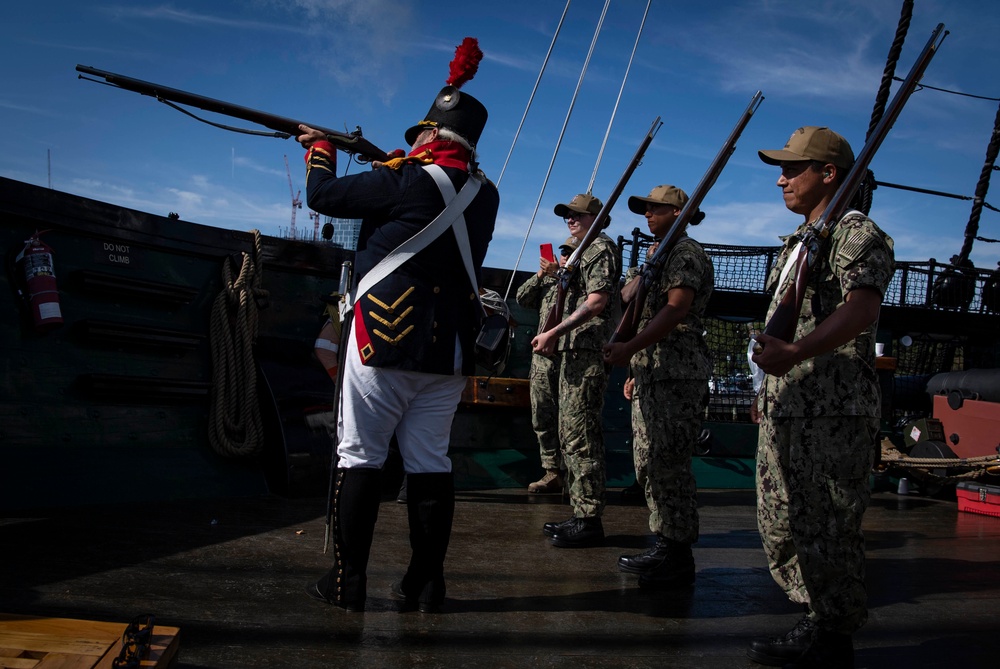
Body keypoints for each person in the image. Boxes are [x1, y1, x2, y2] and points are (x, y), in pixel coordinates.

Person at [297, 43, 499, 614]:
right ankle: (426, 585)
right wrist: (391, 165)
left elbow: (323, 196)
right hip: (449, 351)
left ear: (431, 138)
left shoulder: (406, 180)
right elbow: (423, 198)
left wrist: (320, 149)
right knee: (429, 462)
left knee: (359, 455)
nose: (412, 145)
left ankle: (347, 584)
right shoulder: (485, 194)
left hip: (383, 340)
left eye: (419, 138)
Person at [748, 126, 894, 667]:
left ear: (829, 174)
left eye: (793, 168)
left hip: (832, 407)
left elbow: (862, 310)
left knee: (827, 523)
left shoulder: (854, 232)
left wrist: (795, 351)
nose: (781, 179)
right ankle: (816, 613)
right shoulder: (800, 242)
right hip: (791, 401)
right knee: (781, 519)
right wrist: (770, 380)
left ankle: (832, 634)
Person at [602, 185, 713, 589]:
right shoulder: (655, 254)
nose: (648, 214)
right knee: (648, 462)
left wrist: (631, 347)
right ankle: (665, 539)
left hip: (677, 371)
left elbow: (676, 308)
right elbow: (629, 296)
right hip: (653, 369)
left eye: (658, 208)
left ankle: (677, 550)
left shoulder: (686, 253)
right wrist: (635, 366)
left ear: (679, 212)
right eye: (646, 209)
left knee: (668, 462)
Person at [533, 193, 620, 548]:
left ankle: (588, 519)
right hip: (570, 353)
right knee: (570, 433)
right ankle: (580, 512)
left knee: (581, 434)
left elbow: (596, 301)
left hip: (584, 353)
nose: (570, 219)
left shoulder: (599, 248)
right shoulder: (579, 253)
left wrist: (554, 331)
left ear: (595, 219)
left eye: (578, 214)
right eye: (567, 214)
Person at [516, 236, 580, 494]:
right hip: (544, 359)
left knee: (572, 418)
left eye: (571, 252)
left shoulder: (585, 279)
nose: (565, 255)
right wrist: (542, 274)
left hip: (573, 356)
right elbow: (522, 298)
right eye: (563, 251)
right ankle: (552, 471)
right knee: (542, 413)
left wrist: (565, 276)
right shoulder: (550, 282)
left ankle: (574, 474)